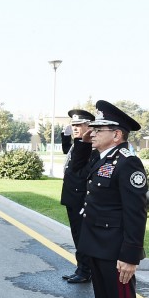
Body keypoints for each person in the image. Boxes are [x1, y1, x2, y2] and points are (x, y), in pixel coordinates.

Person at [76, 100, 148, 298]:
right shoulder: (101, 158)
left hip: (116, 252)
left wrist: (129, 257)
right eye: (91, 128)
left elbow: (135, 214)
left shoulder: (127, 163)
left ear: (117, 134)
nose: (91, 133)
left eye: (98, 128)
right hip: (97, 247)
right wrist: (81, 141)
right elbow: (78, 175)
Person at [60, 109, 95, 284]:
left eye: (79, 125)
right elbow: (67, 151)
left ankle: (85, 270)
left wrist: (83, 142)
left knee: (82, 236)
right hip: (72, 197)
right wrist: (64, 136)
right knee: (76, 235)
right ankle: (81, 268)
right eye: (73, 125)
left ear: (89, 126)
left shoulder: (89, 146)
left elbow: (77, 169)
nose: (74, 128)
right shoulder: (78, 144)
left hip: (81, 198)